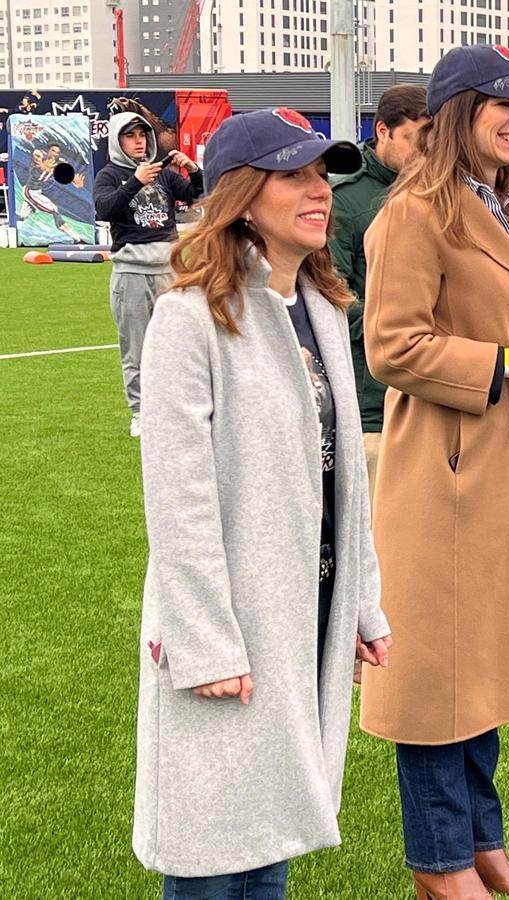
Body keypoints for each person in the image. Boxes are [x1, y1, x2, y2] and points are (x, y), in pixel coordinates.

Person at [132, 107, 392, 896]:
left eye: (322, 174)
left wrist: (361, 606)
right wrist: (207, 641)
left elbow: (342, 478)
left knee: (271, 823)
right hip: (230, 621)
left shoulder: (320, 307)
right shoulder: (188, 317)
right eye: (295, 176)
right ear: (244, 196)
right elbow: (178, 499)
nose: (319, 192)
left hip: (302, 608)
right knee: (214, 840)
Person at [359, 46, 509, 899]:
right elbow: (392, 349)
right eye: (502, 104)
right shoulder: (411, 215)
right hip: (447, 474)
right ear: (457, 112)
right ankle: (441, 862)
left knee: (486, 672)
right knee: (436, 680)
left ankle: (483, 844)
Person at [331, 84, 429, 500]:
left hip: (436, 390)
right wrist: (395, 324)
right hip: (374, 398)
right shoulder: (345, 200)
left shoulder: (443, 190)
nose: (424, 153)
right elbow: (333, 292)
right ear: (383, 131)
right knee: (375, 535)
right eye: (415, 140)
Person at [94, 112, 204, 437]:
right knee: (136, 347)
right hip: (131, 272)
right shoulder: (110, 175)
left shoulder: (165, 175)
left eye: (143, 134)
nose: (139, 140)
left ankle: (174, 406)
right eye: (131, 135)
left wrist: (194, 169)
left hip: (169, 270)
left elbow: (197, 196)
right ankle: (141, 411)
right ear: (117, 140)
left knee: (177, 343)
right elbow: (105, 209)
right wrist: (135, 182)